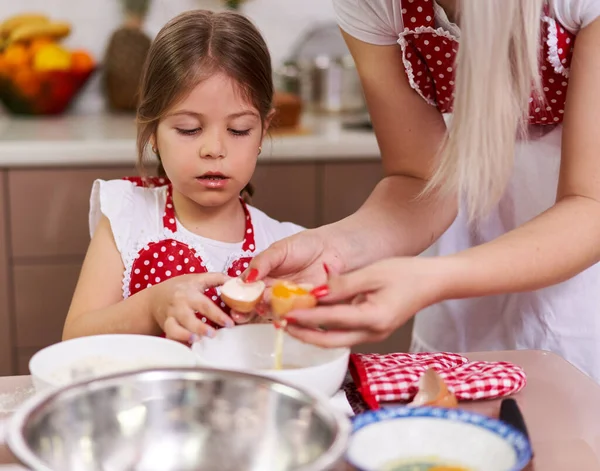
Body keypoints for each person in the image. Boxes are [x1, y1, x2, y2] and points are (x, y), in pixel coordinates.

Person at [241, 0, 600, 382]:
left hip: (573, 253)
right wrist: (335, 250)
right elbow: (420, 181)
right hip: (466, 239)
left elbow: (588, 205)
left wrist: (432, 279)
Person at [63, 10, 303, 344]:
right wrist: (151, 306)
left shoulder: (283, 247)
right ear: (153, 132)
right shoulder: (128, 212)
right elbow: (74, 339)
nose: (214, 149)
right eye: (189, 129)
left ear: (263, 130)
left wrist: (286, 323)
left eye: (239, 130)